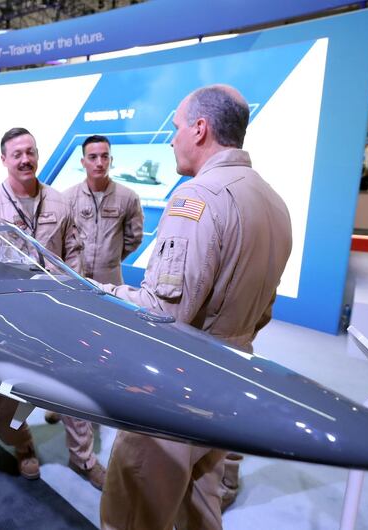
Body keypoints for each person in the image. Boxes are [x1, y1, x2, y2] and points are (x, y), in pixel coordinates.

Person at [97, 85, 292, 530]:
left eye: (177, 127)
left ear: (200, 129)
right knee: (200, 510)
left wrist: (98, 293)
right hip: (233, 377)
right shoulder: (273, 201)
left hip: (177, 388)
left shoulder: (197, 198)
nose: (171, 139)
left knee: (133, 514)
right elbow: (263, 311)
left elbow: (161, 316)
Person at [0, 128, 107, 488]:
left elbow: (73, 254)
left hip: (57, 319)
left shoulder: (60, 203)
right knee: (6, 412)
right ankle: (24, 446)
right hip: (10, 326)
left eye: (30, 151)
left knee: (74, 397)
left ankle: (84, 458)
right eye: (16, 153)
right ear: (4, 160)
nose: (25, 159)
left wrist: (73, 300)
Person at [62, 134, 143, 285]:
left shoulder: (128, 197)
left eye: (105, 157)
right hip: (75, 279)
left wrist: (109, 260)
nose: (99, 163)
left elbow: (133, 239)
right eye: (92, 157)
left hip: (111, 282)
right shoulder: (67, 198)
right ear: (83, 162)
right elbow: (62, 240)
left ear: (111, 160)